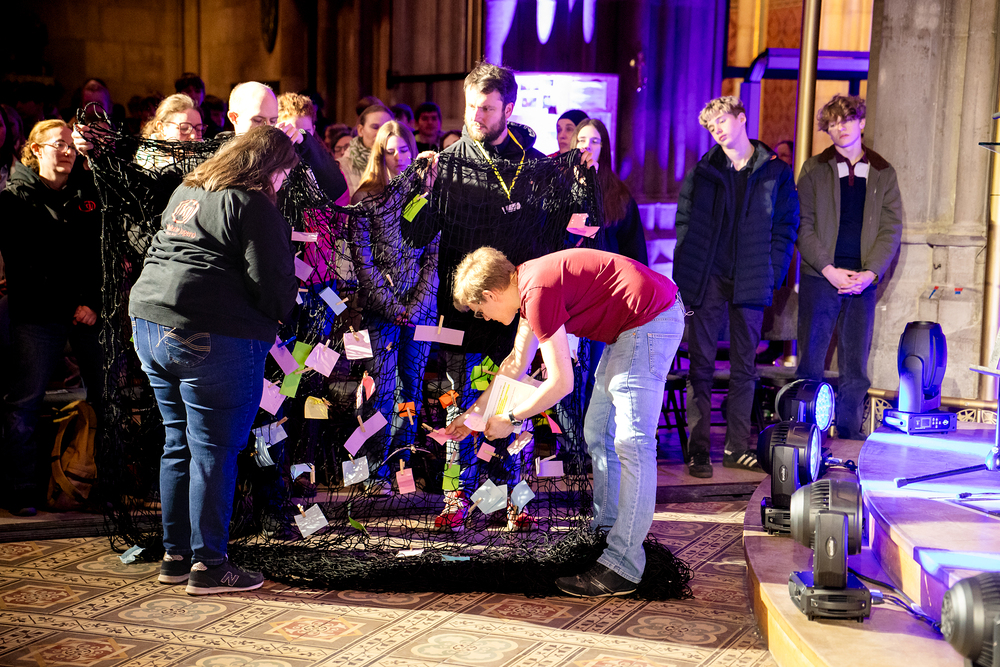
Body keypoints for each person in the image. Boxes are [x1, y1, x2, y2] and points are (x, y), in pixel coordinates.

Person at [447, 247, 684, 596]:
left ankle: (623, 565)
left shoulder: (536, 292)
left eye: (481, 311)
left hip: (651, 319)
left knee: (632, 443)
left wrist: (511, 418)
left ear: (490, 295)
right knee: (598, 431)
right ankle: (606, 534)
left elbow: (561, 384)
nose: (485, 318)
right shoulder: (527, 286)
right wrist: (474, 417)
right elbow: (516, 363)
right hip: (631, 326)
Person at [129, 126, 299, 595]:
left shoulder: (189, 187)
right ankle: (209, 565)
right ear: (271, 168)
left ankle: (175, 557)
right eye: (284, 174)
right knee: (213, 450)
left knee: (177, 442)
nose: (284, 183)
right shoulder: (253, 202)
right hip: (210, 335)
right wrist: (284, 307)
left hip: (148, 322)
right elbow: (272, 284)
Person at [674, 96, 799, 478]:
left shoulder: (775, 171)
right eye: (711, 127)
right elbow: (684, 223)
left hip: (751, 275)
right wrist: (687, 272)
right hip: (709, 276)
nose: (718, 130)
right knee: (701, 366)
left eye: (722, 121)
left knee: (745, 367)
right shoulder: (704, 170)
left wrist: (772, 272)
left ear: (741, 119)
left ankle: (736, 448)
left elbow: (786, 226)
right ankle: (698, 452)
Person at [0, 119, 104, 516]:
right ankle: (21, 491)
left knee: (106, 397)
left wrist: (92, 303)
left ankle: (101, 486)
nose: (67, 151)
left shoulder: (87, 194)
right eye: (58, 144)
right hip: (38, 314)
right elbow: (24, 268)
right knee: (24, 402)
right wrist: (70, 306)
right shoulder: (14, 199)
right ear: (35, 149)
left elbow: (99, 256)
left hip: (86, 313)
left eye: (71, 146)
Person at [795, 95, 902, 440]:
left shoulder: (883, 171)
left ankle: (849, 431)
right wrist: (828, 269)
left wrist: (870, 273)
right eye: (833, 123)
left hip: (862, 280)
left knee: (855, 366)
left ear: (861, 123)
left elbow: (891, 229)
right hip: (821, 277)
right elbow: (802, 225)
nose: (840, 128)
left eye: (846, 120)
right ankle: (805, 432)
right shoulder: (814, 168)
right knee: (811, 362)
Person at [350, 121, 438, 465]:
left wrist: (415, 306)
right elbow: (363, 262)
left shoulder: (426, 197)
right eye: (391, 151)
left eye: (404, 149)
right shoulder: (365, 198)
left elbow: (433, 258)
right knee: (381, 389)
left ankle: (403, 463)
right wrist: (392, 307)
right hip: (379, 309)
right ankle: (375, 468)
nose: (399, 157)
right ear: (380, 155)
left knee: (411, 388)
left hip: (420, 310)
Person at [228, 82, 347, 204]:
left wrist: (305, 142)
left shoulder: (295, 155)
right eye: (258, 120)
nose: (267, 128)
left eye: (272, 121)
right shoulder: (223, 156)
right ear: (234, 118)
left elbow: (337, 191)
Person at [135, 94, 205, 169]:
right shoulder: (144, 163)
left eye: (199, 129)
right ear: (162, 128)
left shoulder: (206, 156)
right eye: (184, 128)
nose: (193, 136)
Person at [338, 104, 392, 197]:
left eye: (386, 128)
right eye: (375, 127)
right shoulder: (342, 167)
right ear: (361, 130)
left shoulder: (399, 163)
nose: (381, 133)